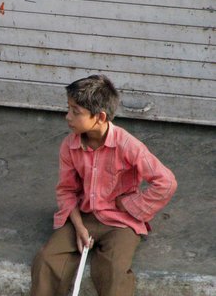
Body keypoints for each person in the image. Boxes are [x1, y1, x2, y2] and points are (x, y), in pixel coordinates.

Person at [30, 75, 177, 296]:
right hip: (83, 215)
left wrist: (130, 205)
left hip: (120, 222)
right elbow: (66, 190)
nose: (67, 116)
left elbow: (166, 183)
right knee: (46, 261)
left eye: (75, 111)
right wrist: (79, 227)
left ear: (99, 117)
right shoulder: (69, 146)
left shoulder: (128, 145)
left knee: (113, 271)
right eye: (68, 108)